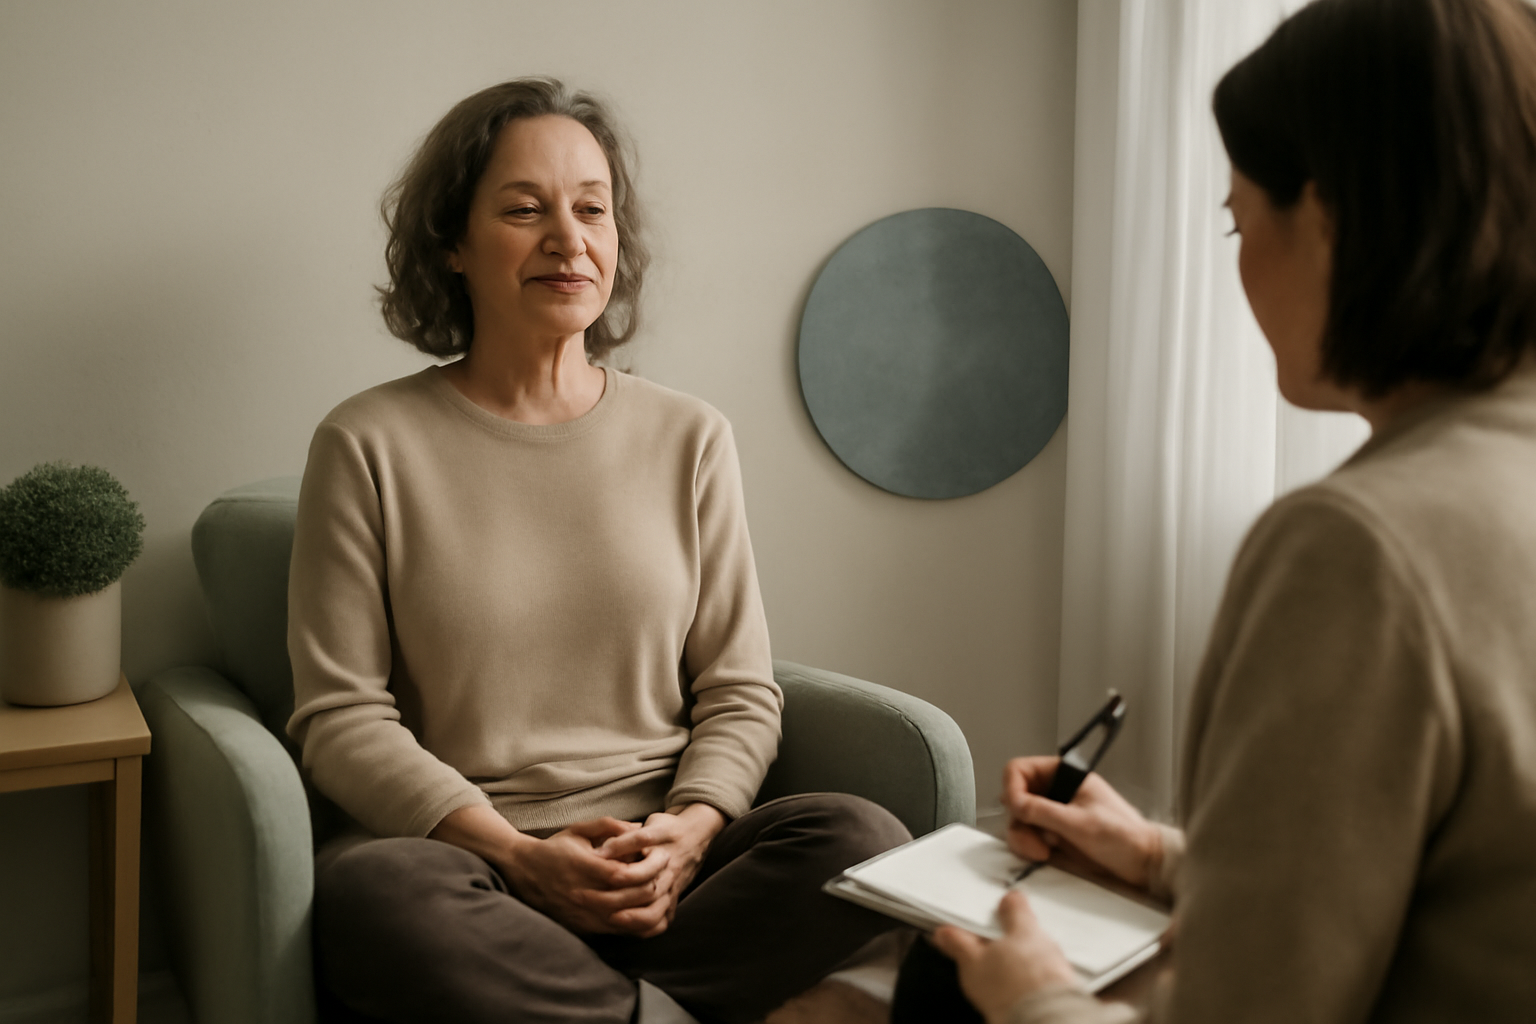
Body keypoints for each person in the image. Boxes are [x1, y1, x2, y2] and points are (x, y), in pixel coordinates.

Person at [891, 0, 1536, 1021]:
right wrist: (1156, 854)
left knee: (943, 981)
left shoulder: (1359, 546)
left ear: (1323, 219)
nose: (1238, 265)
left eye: (1238, 219)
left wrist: (1036, 1002)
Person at [285, 77, 909, 1024]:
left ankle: (598, 1009)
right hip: (479, 868)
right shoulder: (366, 443)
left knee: (860, 835)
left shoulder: (690, 436)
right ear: (451, 244)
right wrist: (520, 856)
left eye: (592, 209)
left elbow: (741, 690)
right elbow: (340, 717)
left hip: (668, 871)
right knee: (377, 897)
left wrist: (690, 835)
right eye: (524, 209)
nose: (569, 240)